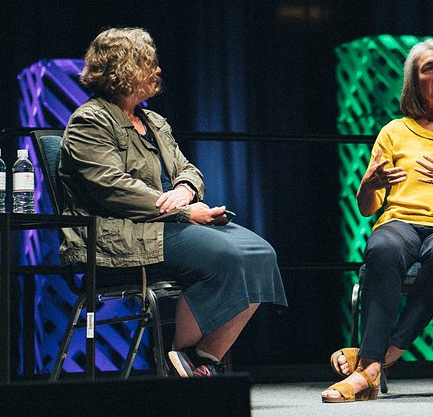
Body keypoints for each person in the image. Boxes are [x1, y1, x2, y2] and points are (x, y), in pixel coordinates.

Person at [58, 27, 287, 377]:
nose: (158, 70)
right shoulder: (89, 122)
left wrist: (185, 188)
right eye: (148, 62)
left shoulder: (154, 121)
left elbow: (188, 169)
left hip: (164, 222)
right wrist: (183, 209)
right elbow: (113, 187)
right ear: (123, 68)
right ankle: (179, 355)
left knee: (261, 255)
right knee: (223, 256)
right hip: (115, 235)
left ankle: (204, 358)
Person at [321, 40, 433, 402]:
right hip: (401, 223)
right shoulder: (394, 131)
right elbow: (367, 208)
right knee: (382, 247)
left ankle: (375, 361)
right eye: (428, 68)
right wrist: (367, 186)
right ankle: (373, 364)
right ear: (414, 83)